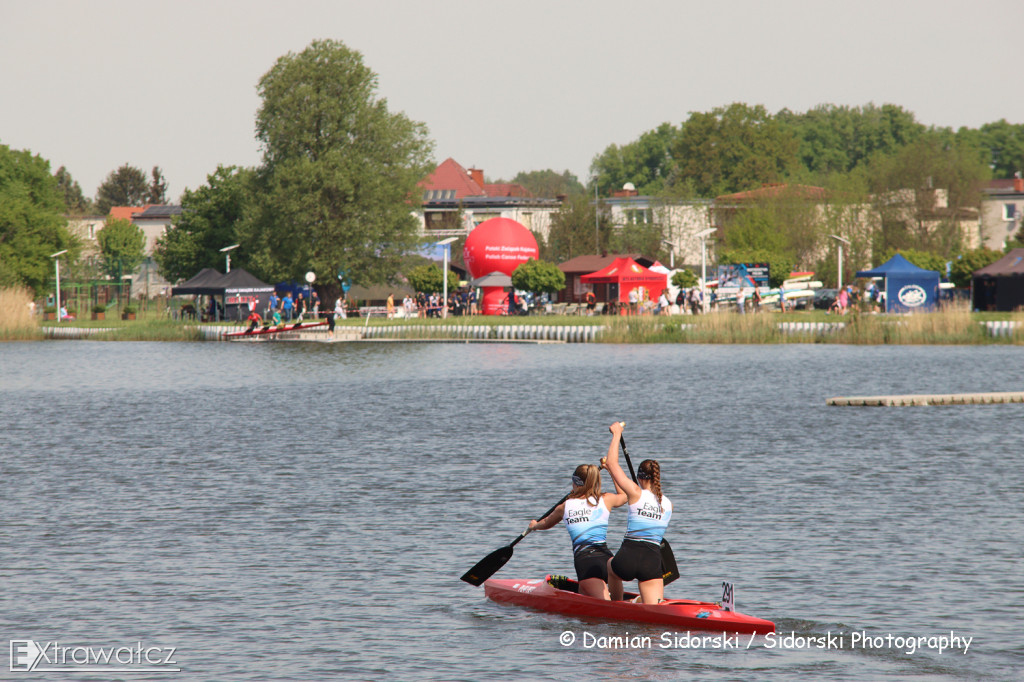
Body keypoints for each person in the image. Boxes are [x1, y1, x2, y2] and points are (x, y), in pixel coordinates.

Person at [529, 460, 627, 600]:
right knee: (616, 602)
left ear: (575, 482)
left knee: (610, 607)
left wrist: (534, 525)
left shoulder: (564, 507)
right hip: (608, 560)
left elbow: (545, 524)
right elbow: (624, 495)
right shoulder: (606, 499)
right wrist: (611, 470)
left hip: (586, 563)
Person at [602, 421, 673, 604]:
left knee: (610, 566)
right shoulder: (668, 504)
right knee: (655, 612)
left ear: (640, 478)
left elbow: (611, 461)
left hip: (627, 558)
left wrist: (616, 433)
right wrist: (611, 470)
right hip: (652, 562)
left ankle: (616, 606)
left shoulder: (634, 492)